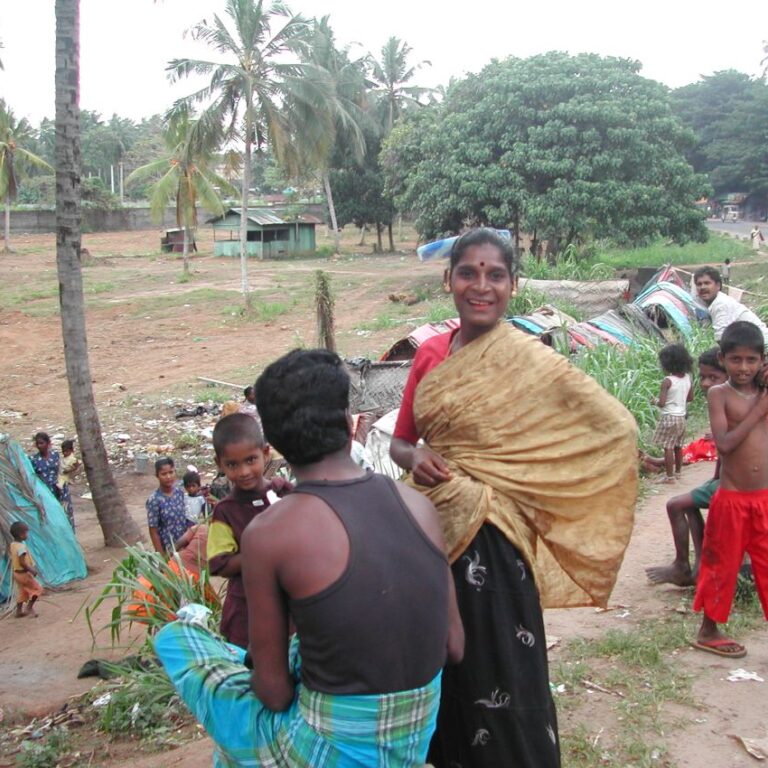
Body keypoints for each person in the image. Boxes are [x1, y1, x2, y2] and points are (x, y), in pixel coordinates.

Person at [389, 228, 637, 768]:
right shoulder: (431, 352)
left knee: (503, 667)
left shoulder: (530, 358)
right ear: (448, 280)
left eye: (495, 274)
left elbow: (614, 427)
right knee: (440, 667)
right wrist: (416, 459)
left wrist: (534, 483)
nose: (482, 286)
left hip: (499, 545)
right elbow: (400, 441)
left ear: (513, 284)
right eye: (469, 273)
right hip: (431, 536)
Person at [154, 349, 463, 767]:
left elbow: (275, 693)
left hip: (327, 749)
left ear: (273, 446)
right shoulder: (419, 506)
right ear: (347, 422)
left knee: (178, 642)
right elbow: (454, 647)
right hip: (413, 738)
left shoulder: (270, 533)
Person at [692, 321, 768, 658]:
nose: (744, 368)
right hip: (733, 500)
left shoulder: (764, 390)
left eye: (752, 360)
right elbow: (724, 445)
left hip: (764, 499)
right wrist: (759, 410)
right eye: (736, 360)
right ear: (723, 359)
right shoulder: (718, 394)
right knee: (721, 565)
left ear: (762, 361)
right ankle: (708, 630)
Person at [207, 413, 291, 649]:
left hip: (291, 604)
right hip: (248, 610)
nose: (243, 471)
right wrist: (260, 552)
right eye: (233, 464)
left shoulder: (285, 494)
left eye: (250, 460)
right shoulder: (226, 512)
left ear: (265, 454)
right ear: (219, 464)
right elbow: (219, 564)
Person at [646, 347, 728, 586]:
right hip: (683, 420)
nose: (705, 383)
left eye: (713, 377)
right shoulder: (711, 394)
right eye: (703, 377)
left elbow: (728, 450)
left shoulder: (669, 381)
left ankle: (685, 565)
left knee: (675, 503)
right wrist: (714, 478)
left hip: (735, 484)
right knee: (678, 450)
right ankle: (698, 565)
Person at [694, 266, 768, 348]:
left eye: (707, 283)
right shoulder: (715, 302)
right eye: (699, 284)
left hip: (761, 347)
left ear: (718, 286)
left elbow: (721, 340)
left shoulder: (721, 304)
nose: (702, 287)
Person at [651, 343, 693, 483]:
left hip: (669, 417)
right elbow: (690, 398)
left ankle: (669, 477)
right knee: (678, 446)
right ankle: (678, 472)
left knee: (667, 447)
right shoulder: (687, 377)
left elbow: (662, 403)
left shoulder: (667, 381)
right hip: (681, 417)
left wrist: (655, 401)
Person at [146, 458, 192, 554]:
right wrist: (162, 557)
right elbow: (153, 531)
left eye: (171, 472)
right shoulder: (154, 500)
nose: (168, 477)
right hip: (169, 550)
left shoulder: (180, 493)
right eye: (164, 474)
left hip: (185, 546)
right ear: (157, 476)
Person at [9, 521, 43, 618]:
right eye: (26, 533)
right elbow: (22, 562)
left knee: (22, 591)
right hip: (24, 574)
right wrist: (32, 570)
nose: (27, 535)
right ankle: (29, 607)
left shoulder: (13, 544)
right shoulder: (21, 547)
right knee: (38, 589)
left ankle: (19, 611)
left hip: (16, 573)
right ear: (21, 534)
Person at [29, 432, 62, 502]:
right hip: (44, 491)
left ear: (48, 443)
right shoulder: (33, 459)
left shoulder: (55, 455)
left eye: (41, 443)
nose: (39, 446)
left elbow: (60, 470)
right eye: (37, 444)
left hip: (58, 489)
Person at [58, 439, 80, 528]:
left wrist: (70, 470)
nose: (64, 453)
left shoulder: (72, 458)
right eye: (63, 452)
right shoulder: (63, 458)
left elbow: (76, 465)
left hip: (63, 478)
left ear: (71, 450)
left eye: (66, 451)